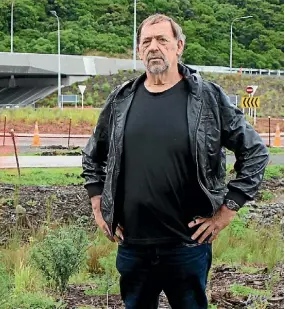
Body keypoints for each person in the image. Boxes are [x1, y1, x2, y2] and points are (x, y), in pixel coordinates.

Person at [81, 13, 269, 309]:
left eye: (161, 40)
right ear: (139, 50)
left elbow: (255, 151)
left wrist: (227, 211)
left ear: (178, 46)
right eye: (146, 41)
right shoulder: (121, 100)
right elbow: (93, 156)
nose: (153, 46)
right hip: (133, 246)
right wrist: (98, 205)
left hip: (187, 245)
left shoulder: (207, 98)